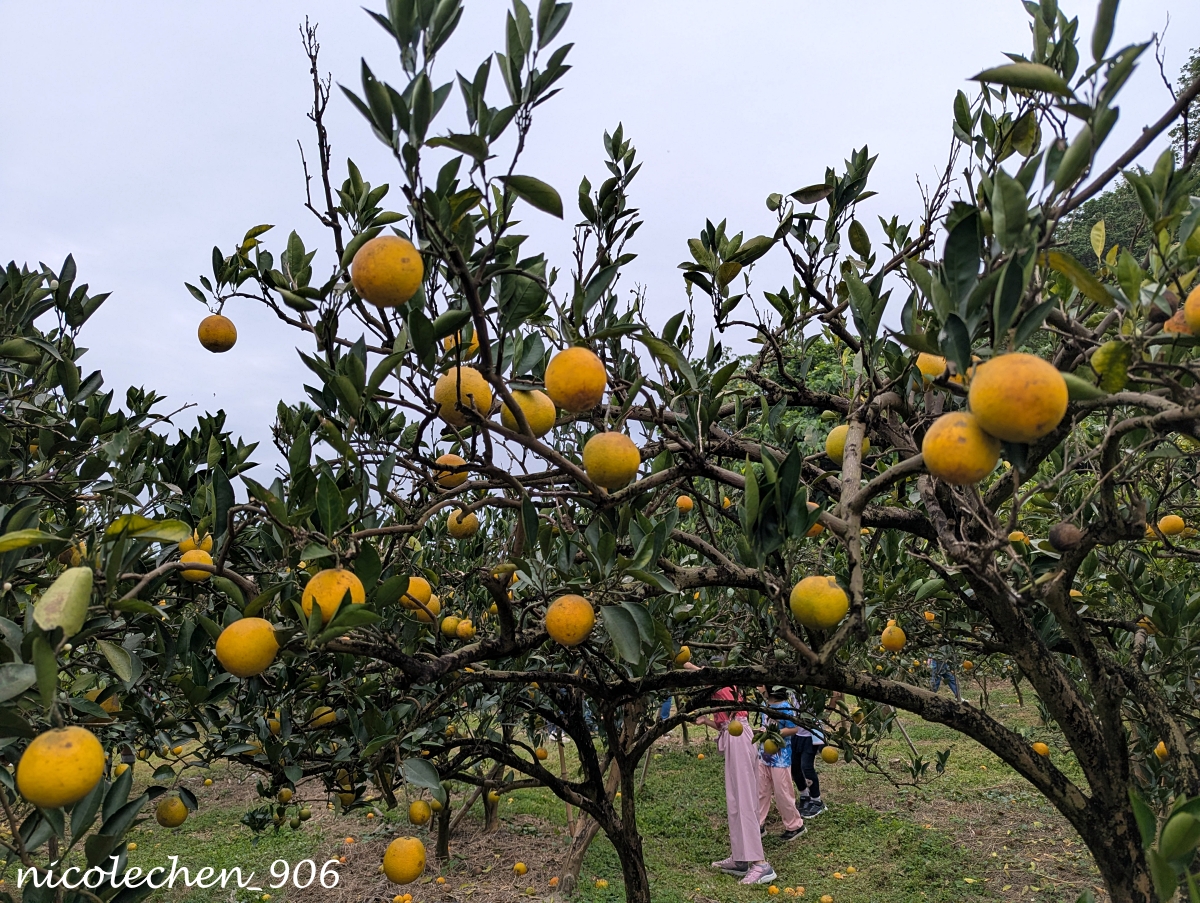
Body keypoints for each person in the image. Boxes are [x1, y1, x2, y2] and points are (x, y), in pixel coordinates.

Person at [686, 662, 777, 886]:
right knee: (735, 801)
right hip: (734, 736)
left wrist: (680, 660)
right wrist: (706, 720)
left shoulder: (722, 683)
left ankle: (760, 863)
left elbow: (704, 672)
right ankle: (740, 859)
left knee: (745, 799)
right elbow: (725, 724)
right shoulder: (722, 691)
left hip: (739, 739)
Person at [757, 687, 805, 841]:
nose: (758, 687)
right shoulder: (767, 706)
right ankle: (758, 824)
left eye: (761, 685)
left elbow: (794, 728)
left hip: (780, 758)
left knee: (782, 792)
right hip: (764, 755)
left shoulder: (785, 707)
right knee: (761, 791)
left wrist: (776, 733)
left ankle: (795, 826)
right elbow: (766, 725)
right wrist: (762, 730)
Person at [789, 688, 834, 818]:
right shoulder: (794, 686)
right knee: (794, 766)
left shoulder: (815, 688)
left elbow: (835, 696)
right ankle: (804, 795)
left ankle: (817, 800)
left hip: (810, 734)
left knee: (806, 767)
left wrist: (824, 716)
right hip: (796, 732)